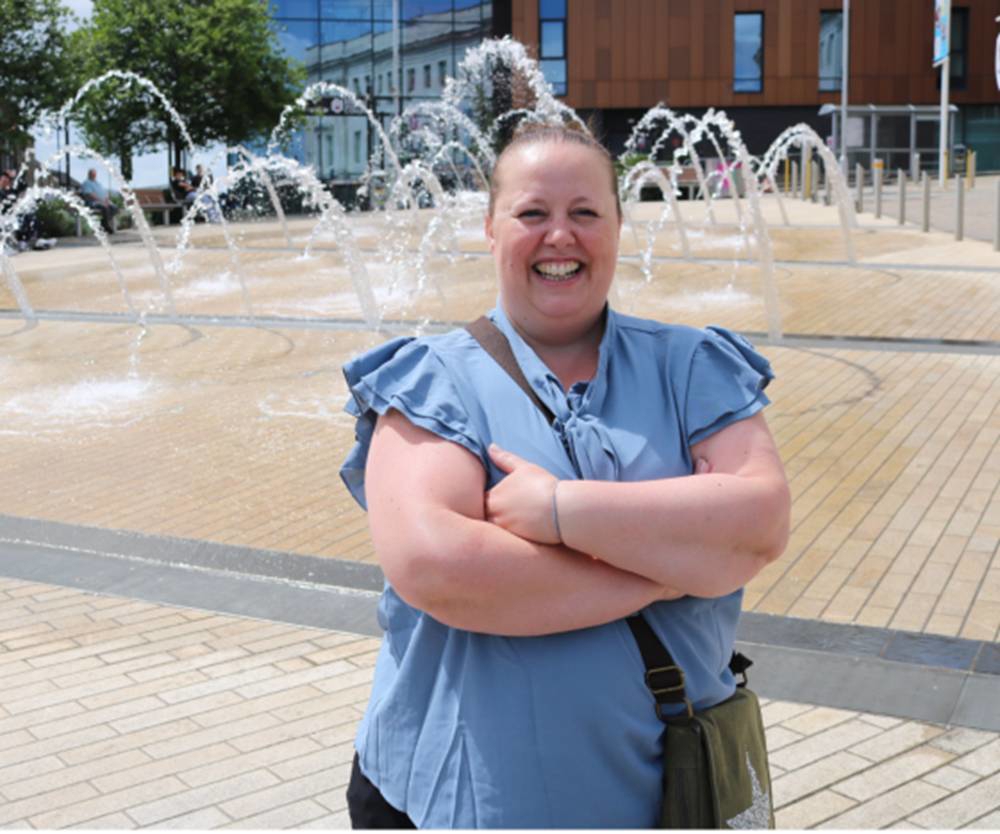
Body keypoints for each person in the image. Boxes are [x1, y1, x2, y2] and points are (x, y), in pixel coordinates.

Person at [339, 123, 791, 828]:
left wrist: (557, 512)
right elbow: (439, 566)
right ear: (490, 228)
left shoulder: (693, 365)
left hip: (671, 796)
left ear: (618, 226)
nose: (560, 236)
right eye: (532, 214)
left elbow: (758, 523)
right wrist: (680, 564)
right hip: (456, 807)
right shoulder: (433, 380)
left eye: (585, 212)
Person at [79, 168, 118, 234]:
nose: (94, 175)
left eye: (94, 174)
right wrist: (101, 201)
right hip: (92, 203)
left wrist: (106, 200)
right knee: (105, 208)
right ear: (89, 175)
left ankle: (103, 224)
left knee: (114, 208)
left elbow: (105, 194)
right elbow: (89, 194)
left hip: (102, 202)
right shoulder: (86, 183)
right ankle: (105, 226)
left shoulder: (98, 183)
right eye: (92, 174)